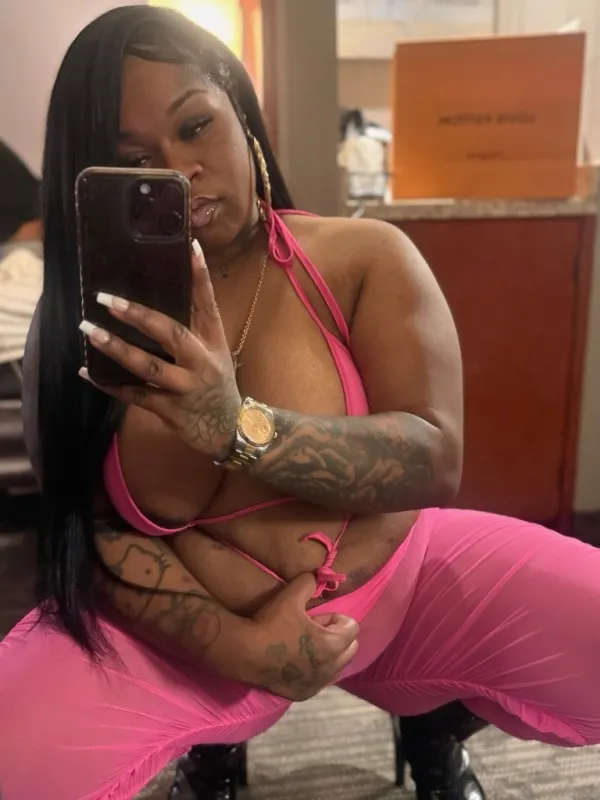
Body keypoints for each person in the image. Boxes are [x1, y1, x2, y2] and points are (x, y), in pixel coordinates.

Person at [1, 7, 599, 800]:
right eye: (135, 162)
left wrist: (237, 427)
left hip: (399, 592)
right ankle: (212, 747)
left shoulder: (362, 257)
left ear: (240, 109)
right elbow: (86, 532)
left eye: (195, 126)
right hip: (192, 649)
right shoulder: (74, 328)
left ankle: (435, 719)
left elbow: (434, 459)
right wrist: (241, 649)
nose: (181, 172)